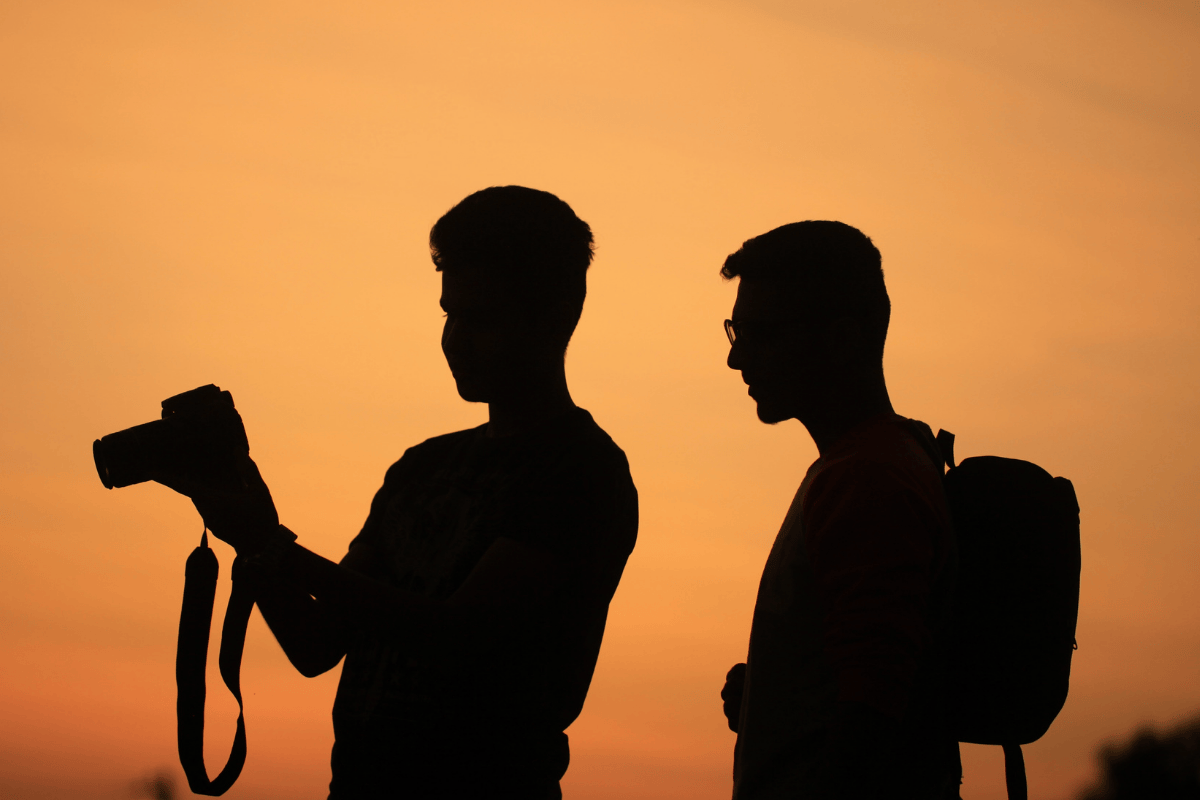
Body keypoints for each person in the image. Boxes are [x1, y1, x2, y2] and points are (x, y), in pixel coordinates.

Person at [174, 186, 638, 799]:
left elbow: (458, 637)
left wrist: (275, 548)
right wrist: (250, 532)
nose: (456, 340)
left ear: (556, 314)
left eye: (484, 318)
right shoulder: (422, 469)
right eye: (450, 314)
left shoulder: (582, 470)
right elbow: (316, 643)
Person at [718, 221, 959, 799]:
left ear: (843, 339)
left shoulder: (864, 480)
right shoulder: (884, 463)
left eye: (760, 334)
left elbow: (871, 715)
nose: (736, 359)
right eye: (734, 330)